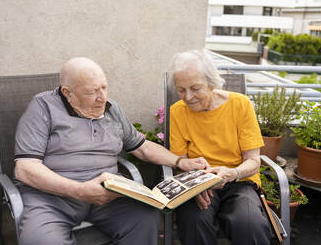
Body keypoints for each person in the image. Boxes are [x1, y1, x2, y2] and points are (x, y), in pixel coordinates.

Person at [14, 57, 210, 245]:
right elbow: (25, 168)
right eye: (92, 92)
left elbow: (142, 147)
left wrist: (180, 162)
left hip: (106, 197)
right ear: (68, 92)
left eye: (104, 88)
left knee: (144, 219)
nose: (102, 98)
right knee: (42, 241)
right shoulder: (43, 107)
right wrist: (79, 190)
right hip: (53, 199)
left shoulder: (111, 108)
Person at [168, 49, 271, 245]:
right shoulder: (177, 112)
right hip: (198, 184)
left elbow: (253, 161)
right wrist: (195, 185)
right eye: (181, 90)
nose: (188, 97)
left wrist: (231, 173)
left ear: (212, 83)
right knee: (193, 221)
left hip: (239, 182)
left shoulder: (240, 105)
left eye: (195, 88)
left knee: (249, 223)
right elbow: (180, 162)